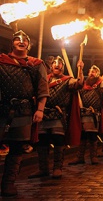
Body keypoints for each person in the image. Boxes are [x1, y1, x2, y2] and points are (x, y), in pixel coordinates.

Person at [0, 30, 49, 197]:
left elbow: (42, 89)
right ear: (12, 43)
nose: (21, 41)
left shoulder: (36, 64)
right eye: (17, 39)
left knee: (17, 148)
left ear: (29, 44)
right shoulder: (1, 61)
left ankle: (8, 184)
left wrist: (40, 109)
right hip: (2, 109)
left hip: (24, 110)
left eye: (25, 39)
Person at [28, 56, 84, 179]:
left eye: (59, 63)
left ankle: (57, 168)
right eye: (54, 63)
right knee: (42, 142)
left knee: (58, 141)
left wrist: (80, 69)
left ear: (62, 67)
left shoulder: (67, 80)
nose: (57, 65)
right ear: (51, 66)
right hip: (43, 113)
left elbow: (79, 84)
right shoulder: (44, 79)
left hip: (58, 115)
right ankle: (43, 169)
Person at [68, 63, 103, 165]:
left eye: (94, 71)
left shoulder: (100, 84)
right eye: (90, 71)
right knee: (82, 136)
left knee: (92, 136)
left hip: (93, 114)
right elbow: (78, 82)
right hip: (82, 113)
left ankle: (93, 156)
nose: (91, 73)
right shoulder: (83, 84)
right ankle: (80, 157)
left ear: (98, 73)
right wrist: (80, 69)